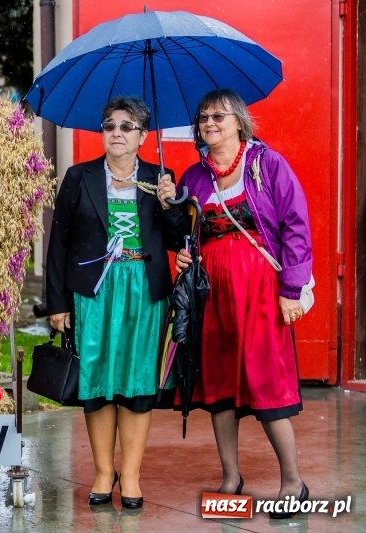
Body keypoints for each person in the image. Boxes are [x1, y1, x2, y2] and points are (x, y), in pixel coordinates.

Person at [175, 88, 312, 519]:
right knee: (217, 384)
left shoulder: (267, 164)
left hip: (260, 293)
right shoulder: (192, 178)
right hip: (211, 294)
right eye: (203, 118)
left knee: (266, 378)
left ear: (240, 122)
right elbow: (184, 236)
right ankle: (231, 480)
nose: (210, 124)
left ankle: (293, 481)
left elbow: (295, 226)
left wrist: (291, 289)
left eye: (219, 116)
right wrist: (181, 244)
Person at [46, 95, 182, 510]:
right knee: (98, 384)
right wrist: (57, 302)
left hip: (144, 289)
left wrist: (169, 206)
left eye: (127, 126)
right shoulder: (79, 177)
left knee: (138, 383)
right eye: (109, 126)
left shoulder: (161, 178)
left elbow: (177, 242)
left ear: (143, 135)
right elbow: (59, 244)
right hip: (94, 292)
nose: (117, 133)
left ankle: (134, 477)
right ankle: (105, 471)